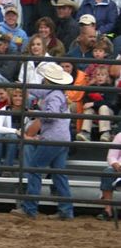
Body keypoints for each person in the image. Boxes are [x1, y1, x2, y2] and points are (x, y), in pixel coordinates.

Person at [11, 62, 74, 220]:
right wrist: (25, 85)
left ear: (47, 79)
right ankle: (66, 210)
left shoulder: (52, 95)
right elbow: (40, 92)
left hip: (52, 138)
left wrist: (35, 111)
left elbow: (51, 114)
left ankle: (30, 208)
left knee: (34, 169)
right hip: (62, 137)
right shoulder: (57, 92)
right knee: (59, 174)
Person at [76, 66, 116, 143]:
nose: (100, 77)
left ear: (107, 77)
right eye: (98, 75)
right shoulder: (91, 87)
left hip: (108, 112)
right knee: (88, 109)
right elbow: (85, 101)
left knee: (103, 107)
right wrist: (90, 104)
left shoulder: (110, 87)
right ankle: (85, 132)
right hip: (94, 112)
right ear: (95, 76)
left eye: (103, 75)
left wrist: (93, 103)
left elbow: (110, 103)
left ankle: (105, 133)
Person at [0, 88, 24, 176]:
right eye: (15, 96)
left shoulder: (28, 111)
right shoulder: (4, 109)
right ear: (11, 97)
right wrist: (15, 131)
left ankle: (7, 168)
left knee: (12, 137)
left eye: (21, 96)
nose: (18, 98)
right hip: (4, 144)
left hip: (19, 145)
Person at [96, 131, 121, 221]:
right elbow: (111, 156)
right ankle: (108, 210)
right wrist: (117, 166)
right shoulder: (120, 136)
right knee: (107, 172)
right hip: (119, 168)